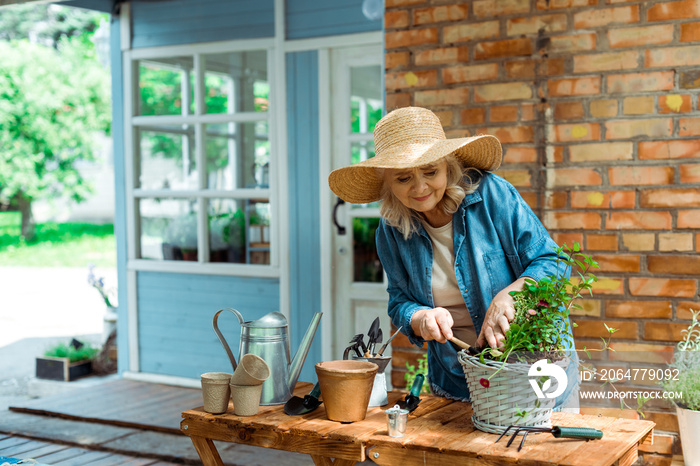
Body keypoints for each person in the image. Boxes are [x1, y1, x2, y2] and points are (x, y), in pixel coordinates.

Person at [328, 106, 578, 410]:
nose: (420, 187)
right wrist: (419, 318)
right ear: (387, 183)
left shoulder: (491, 195)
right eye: (403, 178)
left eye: (431, 172)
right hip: (457, 377)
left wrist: (511, 295)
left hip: (532, 369)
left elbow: (553, 262)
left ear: (448, 166)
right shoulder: (390, 230)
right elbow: (399, 301)